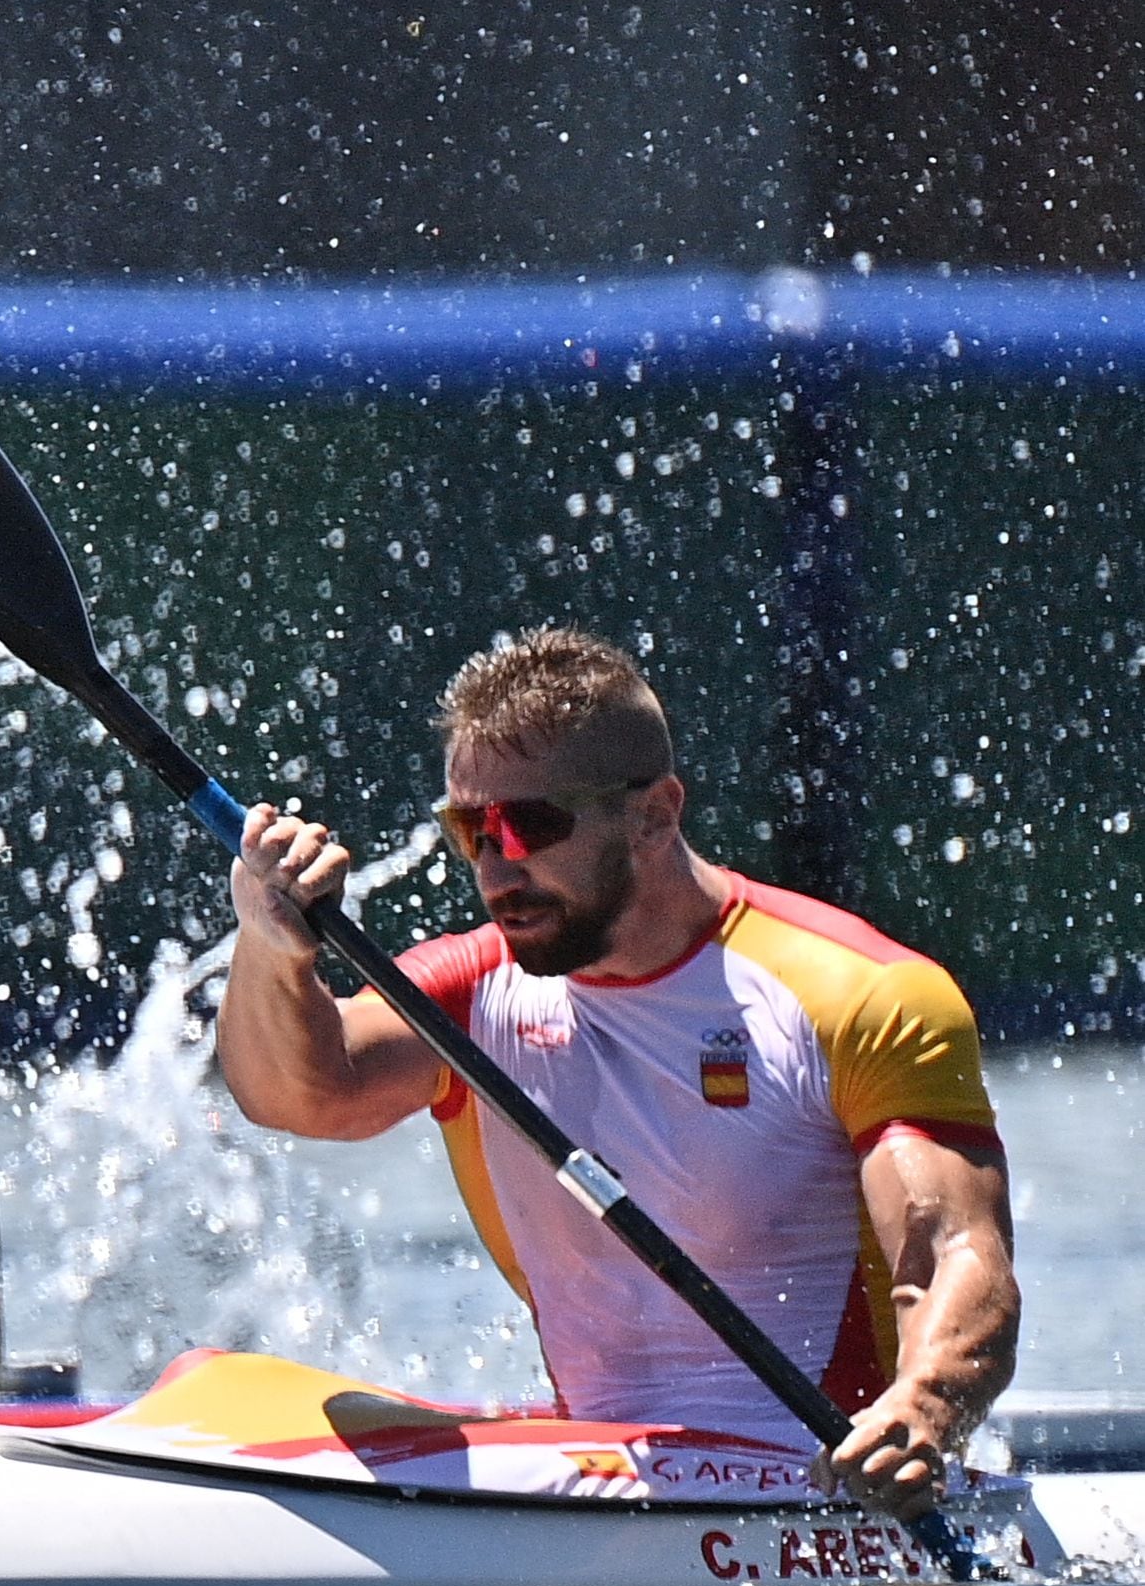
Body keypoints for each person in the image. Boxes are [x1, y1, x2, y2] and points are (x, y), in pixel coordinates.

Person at [218, 628, 1016, 1517]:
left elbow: (957, 1252)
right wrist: (268, 947)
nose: (494, 865)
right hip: (604, 1504)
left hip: (826, 1511)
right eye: (468, 829)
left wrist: (923, 1408)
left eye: (528, 823)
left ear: (653, 815)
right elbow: (298, 1091)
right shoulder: (475, 993)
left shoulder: (858, 996)